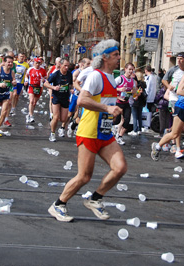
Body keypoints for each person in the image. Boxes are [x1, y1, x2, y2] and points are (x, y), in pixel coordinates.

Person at [48, 39, 126, 222]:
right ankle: (58, 204)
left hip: (104, 132)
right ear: (105, 57)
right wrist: (107, 109)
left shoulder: (112, 78)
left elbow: (105, 103)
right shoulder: (95, 76)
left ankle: (95, 199)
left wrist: (112, 113)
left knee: (120, 167)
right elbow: (82, 100)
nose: (119, 58)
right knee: (84, 176)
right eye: (115, 55)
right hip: (89, 131)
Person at [44, 59, 73, 142]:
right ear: (60, 65)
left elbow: (70, 84)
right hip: (56, 97)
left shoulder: (69, 74)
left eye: (68, 66)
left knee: (63, 119)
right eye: (65, 66)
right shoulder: (55, 74)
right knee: (56, 117)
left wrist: (71, 89)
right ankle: (52, 134)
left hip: (65, 97)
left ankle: (54, 123)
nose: (67, 68)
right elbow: (46, 83)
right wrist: (53, 87)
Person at [113, 63, 137, 145]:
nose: (131, 71)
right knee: (117, 120)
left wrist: (134, 94)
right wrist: (119, 89)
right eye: (129, 69)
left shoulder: (133, 81)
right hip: (118, 102)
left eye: (132, 69)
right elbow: (111, 87)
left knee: (127, 121)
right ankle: (113, 134)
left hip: (126, 102)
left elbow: (134, 92)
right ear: (125, 69)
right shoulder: (120, 79)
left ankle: (119, 137)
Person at [26, 57, 47, 124]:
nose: (37, 64)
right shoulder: (30, 69)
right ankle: (31, 116)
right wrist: (26, 81)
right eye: (36, 63)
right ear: (33, 63)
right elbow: (26, 76)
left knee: (34, 103)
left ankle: (29, 113)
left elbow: (46, 78)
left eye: (39, 63)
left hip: (39, 87)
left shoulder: (43, 70)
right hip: (31, 86)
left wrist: (44, 80)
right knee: (31, 101)